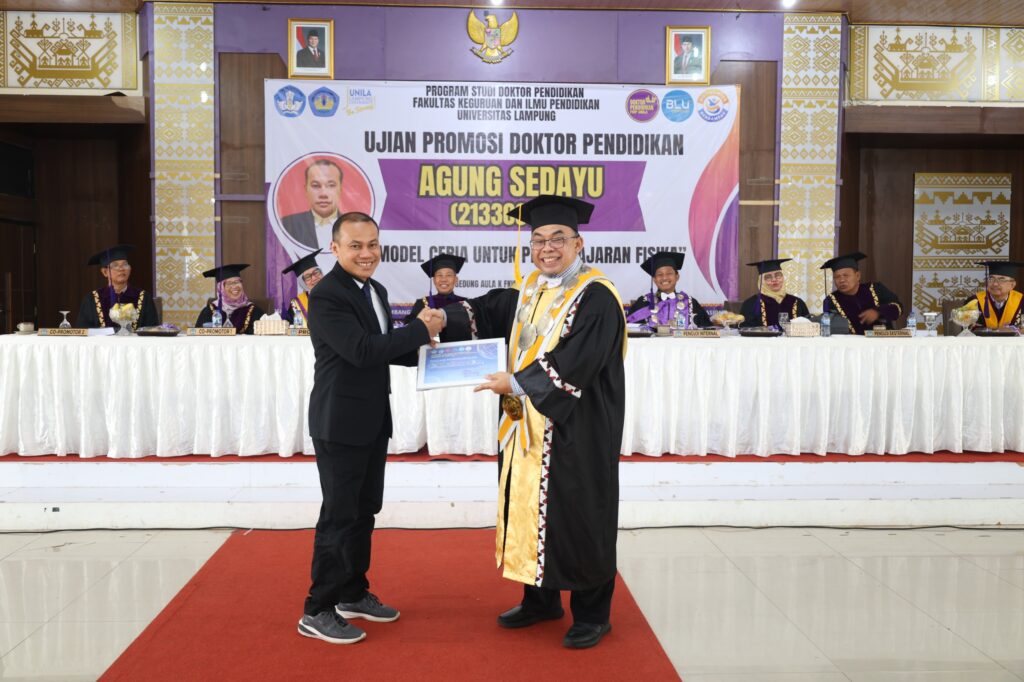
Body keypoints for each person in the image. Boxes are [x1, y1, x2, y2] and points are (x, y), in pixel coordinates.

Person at [440, 195, 626, 650]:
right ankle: (540, 600)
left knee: (580, 513)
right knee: (530, 508)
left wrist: (518, 383)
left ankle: (592, 614)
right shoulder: (530, 289)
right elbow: (486, 311)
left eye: (557, 239)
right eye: (538, 240)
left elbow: (578, 360)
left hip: (577, 427)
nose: (547, 248)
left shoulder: (596, 296)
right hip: (527, 425)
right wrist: (440, 317)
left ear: (578, 243)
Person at [298, 211, 444, 645]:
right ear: (335, 249)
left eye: (373, 244)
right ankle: (317, 609)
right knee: (339, 516)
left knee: (364, 511)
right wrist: (419, 329)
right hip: (339, 422)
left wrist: (434, 350)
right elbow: (361, 351)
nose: (367, 253)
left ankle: (352, 593)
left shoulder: (375, 289)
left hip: (372, 419)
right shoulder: (327, 295)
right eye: (356, 246)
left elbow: (385, 350)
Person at [76, 244, 159, 332]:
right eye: (115, 265)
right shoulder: (91, 299)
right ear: (105, 272)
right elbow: (83, 331)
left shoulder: (144, 297)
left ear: (130, 269)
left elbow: (152, 330)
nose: (121, 269)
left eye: (125, 264)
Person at [821, 252, 902, 335]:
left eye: (846, 275)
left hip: (883, 340)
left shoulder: (876, 289)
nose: (841, 280)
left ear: (857, 276)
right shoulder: (831, 300)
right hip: (852, 342)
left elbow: (897, 308)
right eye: (837, 277)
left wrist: (878, 312)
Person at [625, 251, 712, 328]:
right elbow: (630, 330)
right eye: (659, 274)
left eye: (669, 273)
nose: (664, 278)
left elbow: (706, 330)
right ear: (654, 279)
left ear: (677, 277)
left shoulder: (690, 303)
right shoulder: (644, 302)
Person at [281, 159, 344, 251]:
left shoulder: (355, 227)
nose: (323, 194)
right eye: (315, 186)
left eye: (331, 185)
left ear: (340, 190)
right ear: (306, 190)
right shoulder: (287, 225)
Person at [194, 264, 265, 334]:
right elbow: (199, 336)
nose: (234, 286)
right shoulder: (209, 312)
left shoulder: (254, 311)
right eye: (229, 283)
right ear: (221, 289)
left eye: (237, 282)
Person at [739, 258, 810, 328]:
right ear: (761, 281)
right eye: (768, 277)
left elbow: (808, 327)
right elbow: (745, 329)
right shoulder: (751, 304)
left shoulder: (797, 303)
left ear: (783, 278)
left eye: (778, 275)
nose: (774, 280)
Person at [403, 253, 467, 325]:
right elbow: (410, 328)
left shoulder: (465, 303)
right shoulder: (423, 303)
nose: (444, 279)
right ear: (434, 280)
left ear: (456, 280)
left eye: (449, 275)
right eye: (439, 275)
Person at [965, 260, 1024, 329]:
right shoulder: (974, 301)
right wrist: (998, 331)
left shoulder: (1022, 301)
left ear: (1012, 285)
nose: (995, 284)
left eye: (1001, 280)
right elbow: (968, 328)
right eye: (991, 279)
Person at [281, 249, 324, 326]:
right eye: (307, 277)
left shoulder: (336, 295)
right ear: (302, 283)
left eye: (316, 272)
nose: (314, 278)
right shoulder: (296, 304)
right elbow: (292, 329)